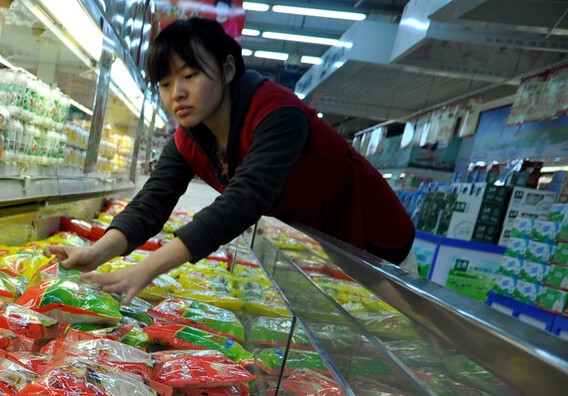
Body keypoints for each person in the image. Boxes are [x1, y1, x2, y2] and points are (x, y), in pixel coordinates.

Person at [50, 17, 415, 303]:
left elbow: (244, 200)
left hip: (379, 243)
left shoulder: (278, 114)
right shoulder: (190, 136)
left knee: (411, 339)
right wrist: (97, 251)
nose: (177, 93)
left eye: (190, 75)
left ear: (227, 69)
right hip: (330, 246)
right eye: (164, 83)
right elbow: (153, 200)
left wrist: (146, 269)